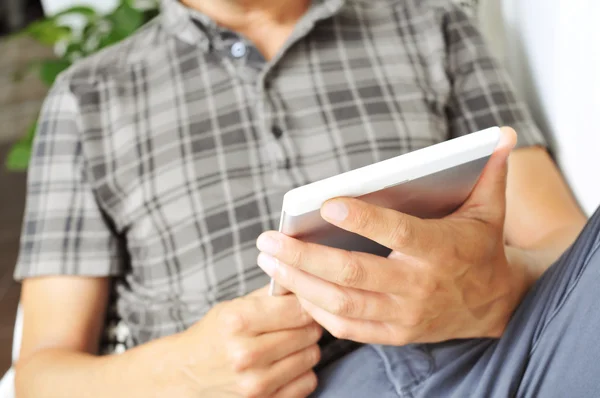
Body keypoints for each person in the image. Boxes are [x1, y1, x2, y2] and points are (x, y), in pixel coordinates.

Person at [13, 0, 599, 397]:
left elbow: (566, 249)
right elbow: (39, 375)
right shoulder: (86, 97)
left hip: (495, 361)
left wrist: (496, 288)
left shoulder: (429, 21)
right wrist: (184, 370)